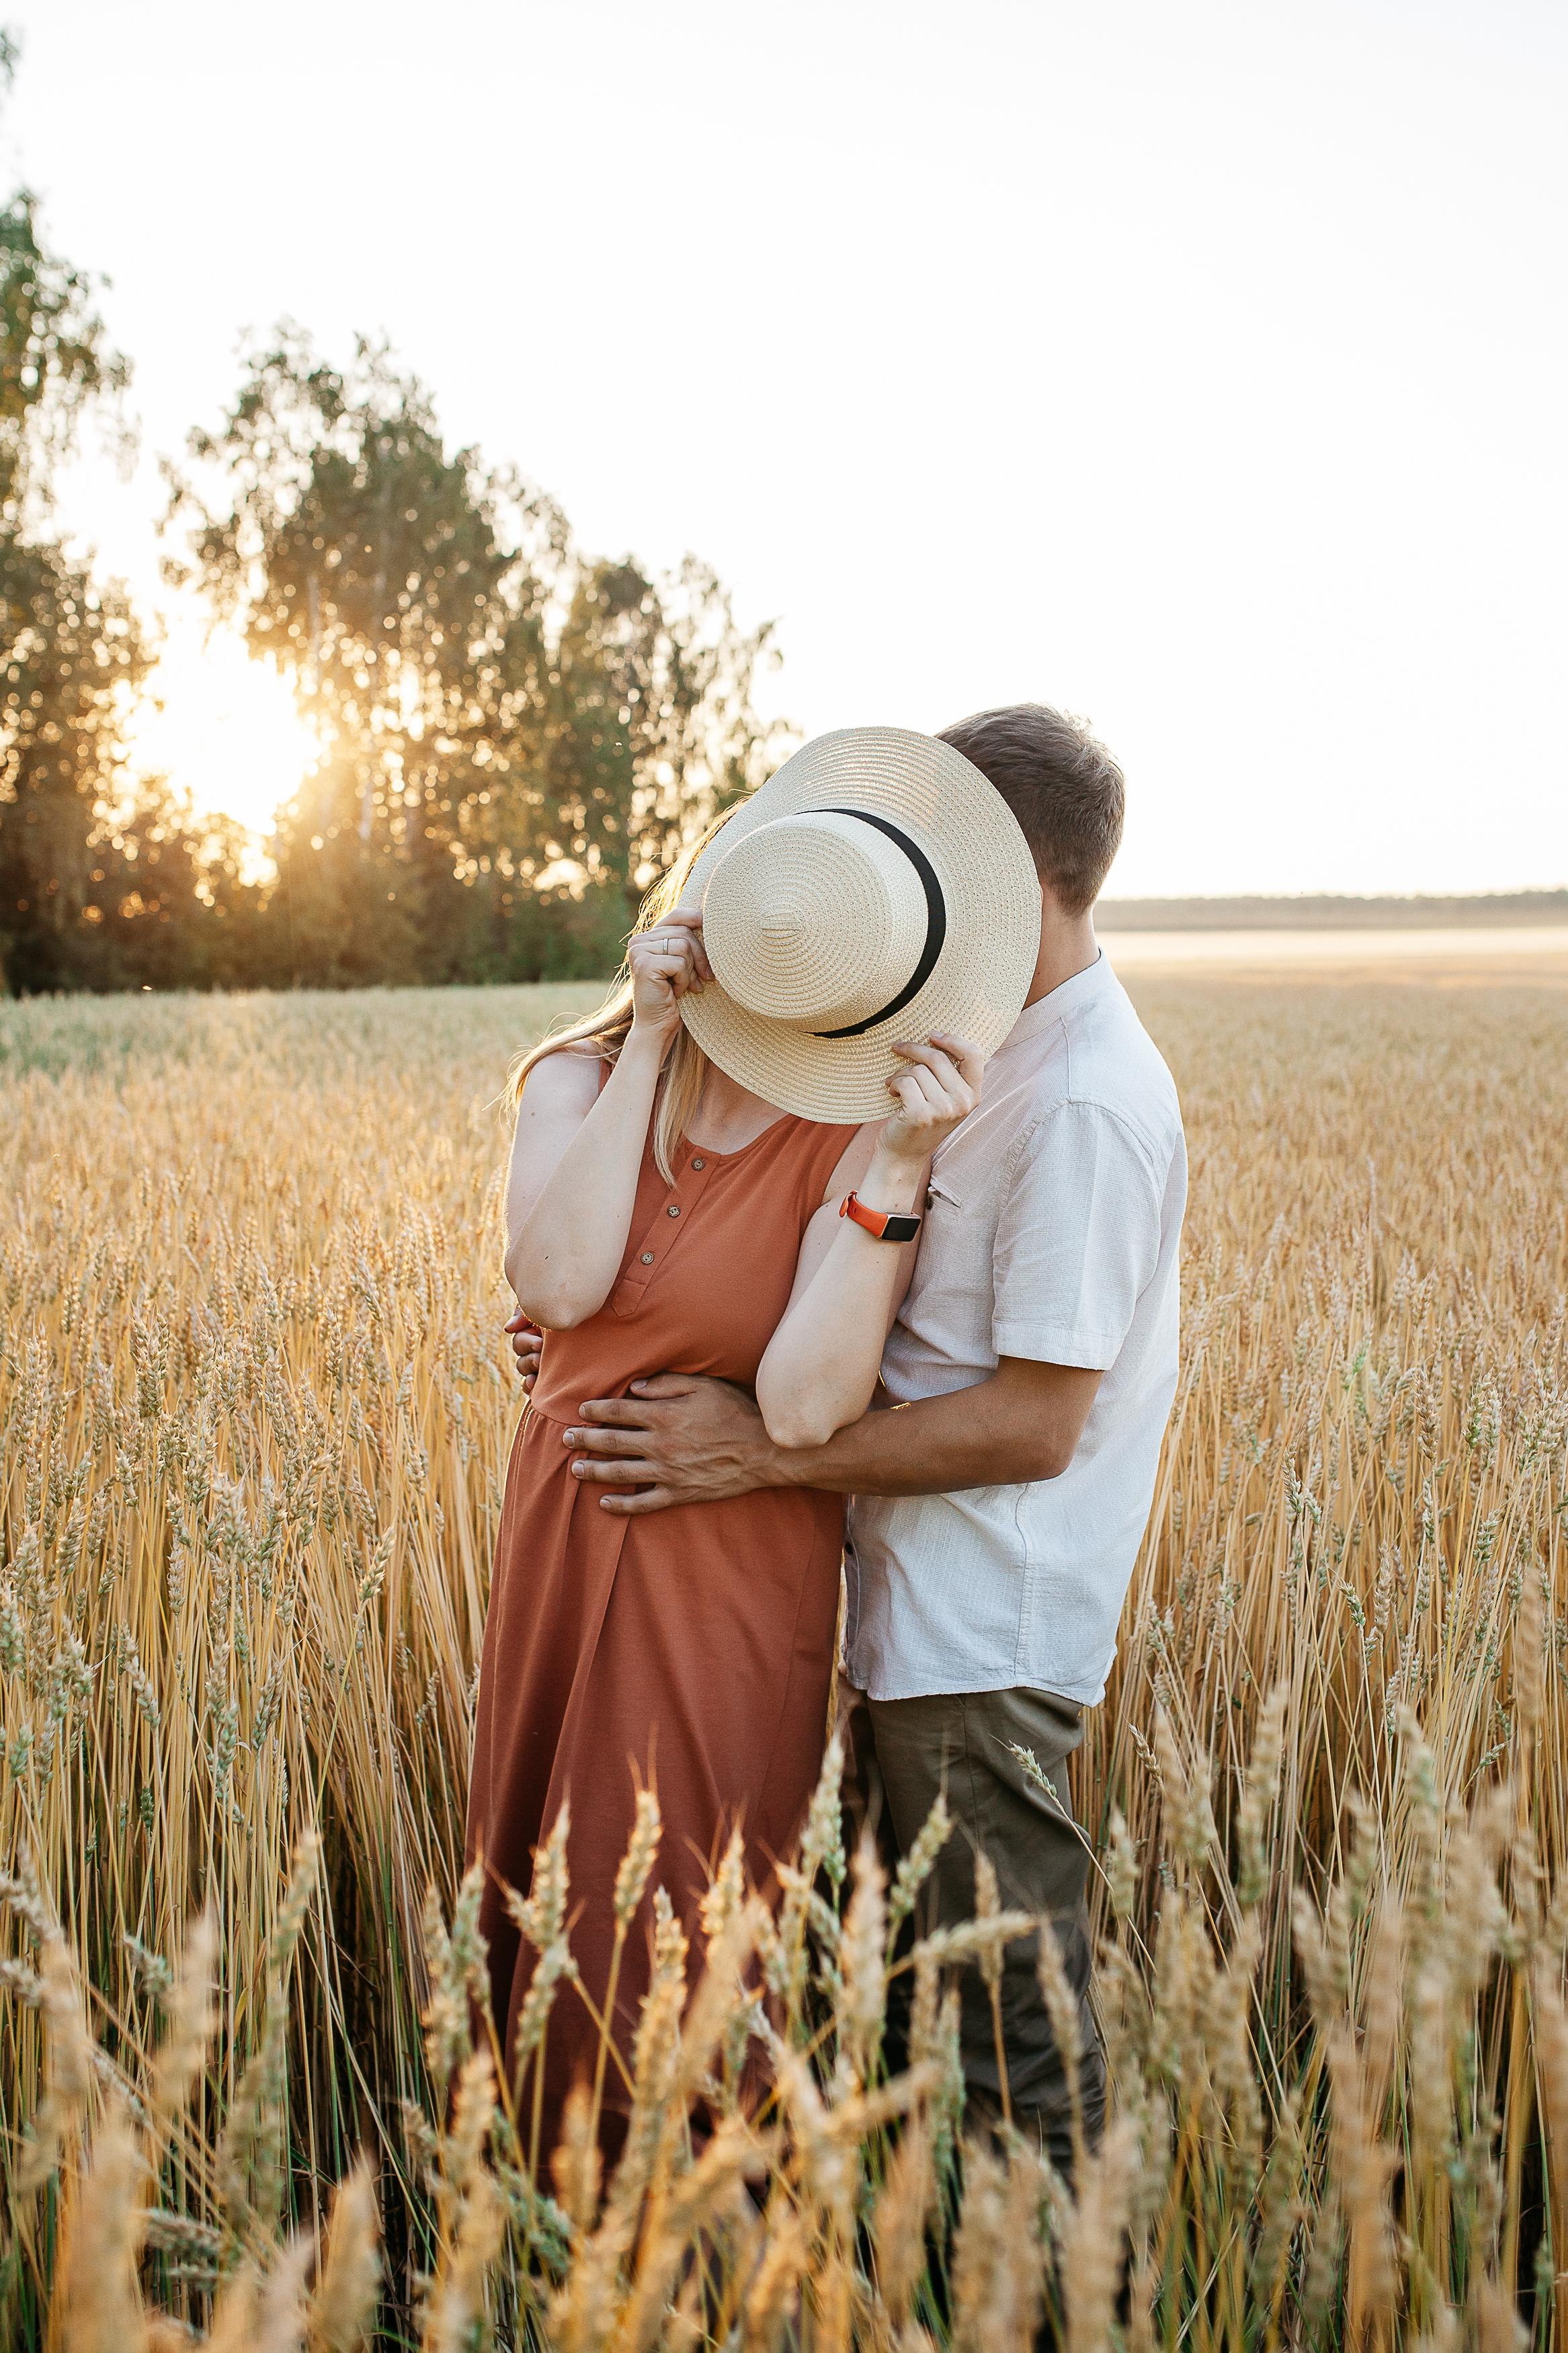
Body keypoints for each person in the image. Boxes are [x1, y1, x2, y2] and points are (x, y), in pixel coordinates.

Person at [510, 703, 1188, 2174]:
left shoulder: (1075, 1100)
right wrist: (625, 1337)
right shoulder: (973, 1054)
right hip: (888, 1607)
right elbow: (637, 1284)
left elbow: (1036, 1422)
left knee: (1010, 2039)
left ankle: (1051, 2300)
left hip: (977, 1630)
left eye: (937, 848)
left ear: (1009, 867)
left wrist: (757, 1452)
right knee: (898, 2023)